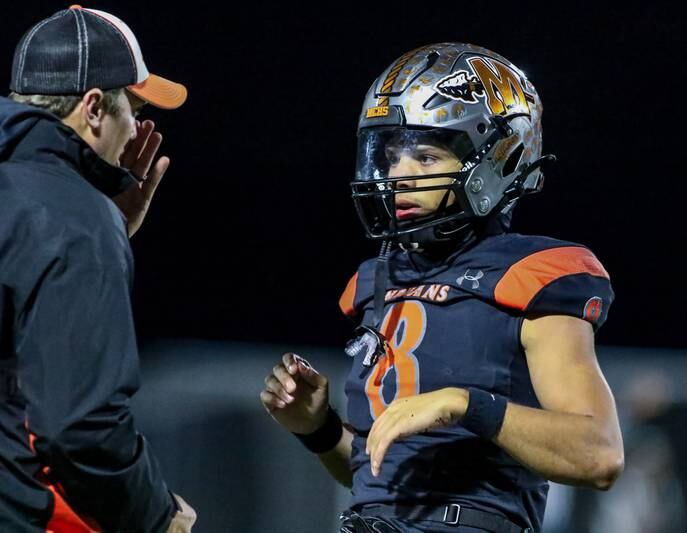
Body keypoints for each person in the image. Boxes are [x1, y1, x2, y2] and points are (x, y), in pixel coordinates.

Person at [261, 43, 624, 533]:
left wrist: (465, 403)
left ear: (499, 160)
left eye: (426, 157)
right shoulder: (380, 280)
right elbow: (383, 479)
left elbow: (599, 454)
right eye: (392, 158)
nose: (397, 177)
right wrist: (320, 429)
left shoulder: (534, 273)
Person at [0, 6, 195, 532]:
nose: (136, 128)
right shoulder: (72, 218)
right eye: (131, 106)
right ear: (92, 107)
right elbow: (79, 429)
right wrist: (155, 515)